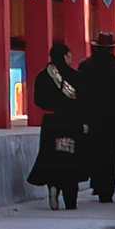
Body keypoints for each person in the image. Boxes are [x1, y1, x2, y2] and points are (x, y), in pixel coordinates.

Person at [28, 40, 87, 209]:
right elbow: (83, 102)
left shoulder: (43, 76)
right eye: (69, 55)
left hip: (51, 124)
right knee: (70, 161)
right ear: (65, 56)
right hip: (71, 123)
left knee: (53, 158)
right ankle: (70, 201)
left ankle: (53, 186)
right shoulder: (76, 77)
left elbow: (38, 101)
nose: (71, 58)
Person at [77, 31, 115, 204]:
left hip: (92, 119)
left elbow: (81, 95)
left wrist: (82, 118)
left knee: (94, 153)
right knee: (110, 155)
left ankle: (97, 184)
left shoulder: (85, 67)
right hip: (112, 121)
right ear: (112, 50)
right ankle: (106, 191)